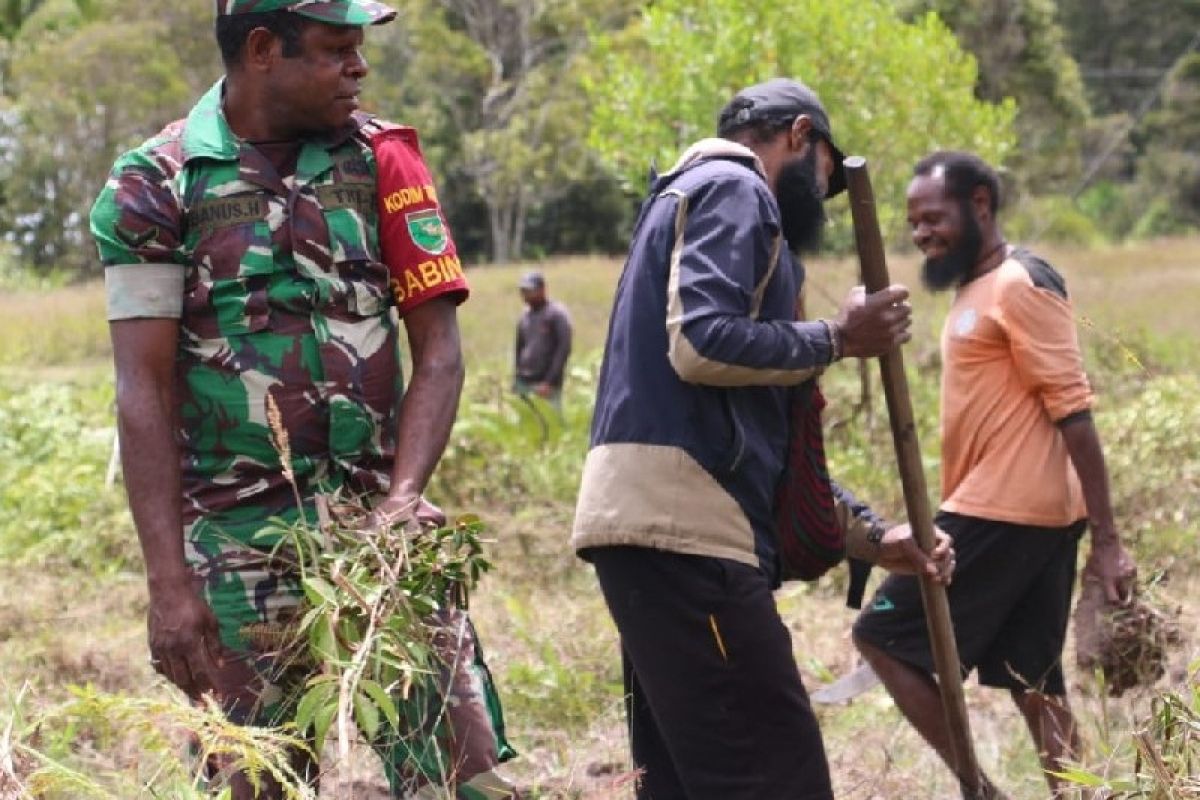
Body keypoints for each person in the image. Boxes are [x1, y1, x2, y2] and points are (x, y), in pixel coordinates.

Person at [89, 2, 516, 797]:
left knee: (463, 782)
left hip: (377, 536)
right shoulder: (155, 185)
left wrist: (404, 496)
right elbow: (139, 387)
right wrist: (169, 585)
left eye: (359, 51)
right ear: (261, 50)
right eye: (335, 50)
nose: (358, 68)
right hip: (238, 547)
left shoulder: (384, 162)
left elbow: (441, 350)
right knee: (256, 783)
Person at [570, 77, 955, 800]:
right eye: (824, 177)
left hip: (662, 533)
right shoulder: (733, 187)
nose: (822, 196)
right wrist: (837, 338)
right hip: (687, 536)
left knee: (693, 781)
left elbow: (762, 445)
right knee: (777, 779)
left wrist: (874, 539)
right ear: (800, 135)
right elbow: (701, 343)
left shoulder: (683, 199)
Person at [853, 150, 1138, 797]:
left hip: (1000, 509)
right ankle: (1082, 793)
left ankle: (980, 791)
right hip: (1026, 514)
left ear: (980, 204)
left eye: (934, 218)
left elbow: (1073, 408)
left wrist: (1109, 539)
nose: (922, 233)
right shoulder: (974, 287)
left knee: (882, 636)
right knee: (1033, 680)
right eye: (913, 223)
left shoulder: (1020, 282)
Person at [514, 270, 572, 408]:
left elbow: (563, 349)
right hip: (525, 381)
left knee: (549, 425)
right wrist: (516, 377)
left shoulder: (556, 314)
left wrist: (550, 381)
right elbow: (519, 348)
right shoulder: (524, 316)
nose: (526, 295)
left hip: (546, 384)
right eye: (523, 291)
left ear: (542, 289)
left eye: (530, 291)